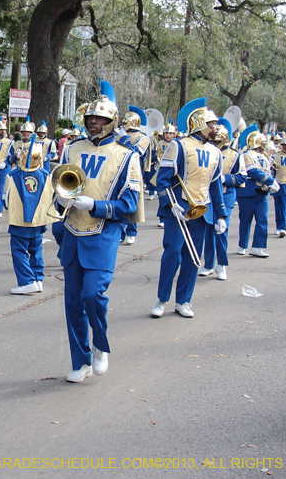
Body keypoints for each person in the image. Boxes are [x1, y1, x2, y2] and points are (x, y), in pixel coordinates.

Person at [56, 81, 141, 382]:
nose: (94, 122)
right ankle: (80, 361)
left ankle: (99, 346)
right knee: (72, 302)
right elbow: (59, 188)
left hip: (103, 234)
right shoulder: (72, 148)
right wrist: (60, 208)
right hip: (71, 232)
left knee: (93, 295)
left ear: (111, 122)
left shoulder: (127, 155)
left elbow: (129, 204)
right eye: (91, 118)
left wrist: (96, 205)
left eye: (101, 119)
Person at [151, 98, 227, 319]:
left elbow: (215, 185)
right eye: (212, 123)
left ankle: (184, 300)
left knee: (193, 257)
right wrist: (170, 203)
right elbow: (162, 180)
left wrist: (221, 214)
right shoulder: (178, 145)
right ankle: (162, 299)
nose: (216, 127)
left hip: (202, 211)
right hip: (178, 208)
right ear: (201, 123)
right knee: (172, 253)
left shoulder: (216, 152)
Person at [4, 141, 57, 294]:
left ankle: (27, 281)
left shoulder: (13, 175)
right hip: (39, 220)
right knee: (36, 250)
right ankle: (37, 279)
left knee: (18, 250)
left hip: (19, 220)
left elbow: (6, 201)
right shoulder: (46, 175)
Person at [199, 121, 247, 281]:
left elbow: (242, 176)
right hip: (207, 196)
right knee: (208, 231)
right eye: (213, 141)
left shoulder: (236, 155)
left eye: (218, 141)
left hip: (225, 196)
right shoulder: (206, 151)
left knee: (221, 231)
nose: (215, 144)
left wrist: (224, 179)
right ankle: (208, 264)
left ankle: (222, 265)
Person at [236, 131, 278, 257]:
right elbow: (253, 172)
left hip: (262, 192)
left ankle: (257, 246)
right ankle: (242, 244)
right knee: (245, 220)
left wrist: (270, 183)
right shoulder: (247, 155)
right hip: (248, 192)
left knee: (262, 220)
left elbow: (267, 171)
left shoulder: (264, 156)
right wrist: (271, 181)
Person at [119, 107, 150, 245]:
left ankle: (131, 232)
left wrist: (124, 138)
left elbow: (136, 152)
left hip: (134, 173)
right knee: (118, 202)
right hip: (118, 172)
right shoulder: (119, 135)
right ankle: (120, 232)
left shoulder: (143, 138)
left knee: (133, 204)